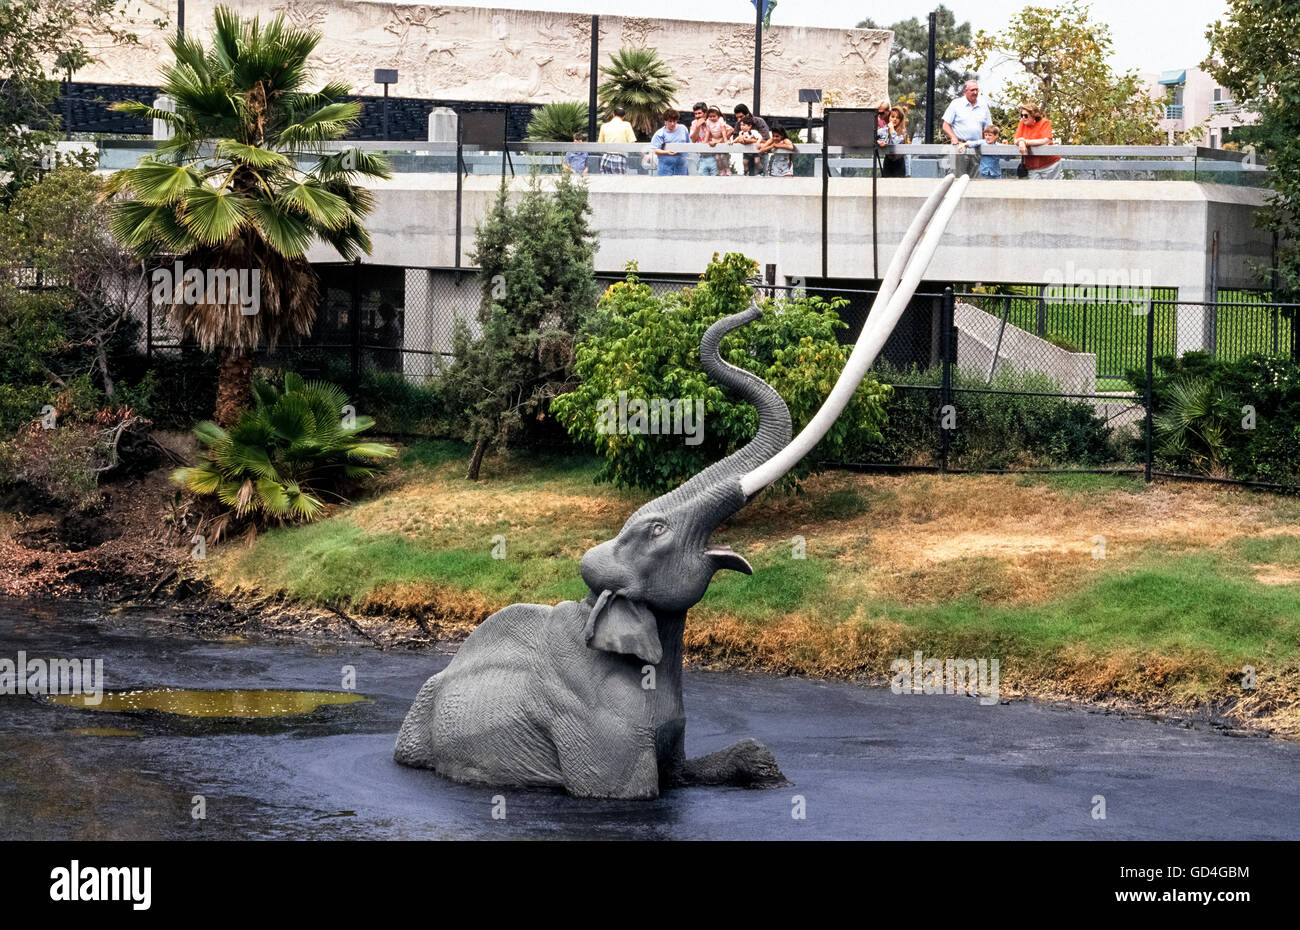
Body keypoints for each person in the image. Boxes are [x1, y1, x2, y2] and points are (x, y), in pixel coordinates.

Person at [941, 79, 992, 177]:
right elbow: (945, 125)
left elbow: (989, 128)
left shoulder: (983, 105)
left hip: (978, 148)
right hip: (960, 147)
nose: (975, 92)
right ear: (965, 91)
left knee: (977, 180)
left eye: (977, 90)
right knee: (957, 178)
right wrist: (953, 137)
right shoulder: (956, 104)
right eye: (972, 90)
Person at [1015, 103, 1062, 180]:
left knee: (1052, 190)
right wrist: (1021, 142)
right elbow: (1016, 139)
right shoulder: (1022, 124)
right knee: (1034, 190)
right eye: (1021, 115)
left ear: (1033, 115)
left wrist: (1025, 142)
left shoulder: (1044, 123)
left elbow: (1046, 140)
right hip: (1032, 166)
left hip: (1050, 164)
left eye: (1026, 115)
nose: (1023, 117)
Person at [650, 108, 690, 176]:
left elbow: (688, 144)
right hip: (665, 169)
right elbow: (655, 150)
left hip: (681, 168)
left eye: (674, 121)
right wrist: (667, 152)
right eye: (670, 121)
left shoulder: (683, 129)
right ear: (665, 121)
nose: (672, 124)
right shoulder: (660, 133)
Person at [733, 103, 770, 175]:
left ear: (747, 114)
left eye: (741, 117)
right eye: (737, 117)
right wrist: (740, 139)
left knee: (761, 180)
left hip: (760, 155)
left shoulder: (759, 121)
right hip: (747, 156)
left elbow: (766, 140)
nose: (739, 120)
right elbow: (735, 139)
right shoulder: (738, 124)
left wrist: (749, 141)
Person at [597, 106, 636, 174]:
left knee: (604, 182)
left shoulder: (604, 126)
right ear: (623, 116)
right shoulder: (626, 125)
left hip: (606, 157)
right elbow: (632, 142)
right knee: (618, 182)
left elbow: (600, 144)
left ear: (613, 114)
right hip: (619, 157)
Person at [697, 105, 733, 176]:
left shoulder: (721, 120)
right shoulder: (708, 122)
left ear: (718, 116)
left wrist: (725, 140)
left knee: (723, 156)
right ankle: (721, 171)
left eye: (714, 116)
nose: (712, 118)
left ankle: (728, 170)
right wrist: (705, 141)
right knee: (717, 157)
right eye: (710, 116)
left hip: (721, 139)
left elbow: (723, 131)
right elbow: (707, 132)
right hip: (714, 139)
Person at [879, 105, 910, 178]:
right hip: (888, 161)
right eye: (892, 117)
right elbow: (875, 136)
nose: (895, 119)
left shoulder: (903, 131)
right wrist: (879, 142)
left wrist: (892, 130)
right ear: (889, 117)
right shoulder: (885, 129)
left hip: (899, 162)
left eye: (898, 118)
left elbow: (896, 142)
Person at [688, 102, 708, 174]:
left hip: (713, 155)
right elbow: (693, 140)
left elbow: (730, 130)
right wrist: (697, 126)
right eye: (695, 114)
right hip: (699, 156)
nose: (697, 116)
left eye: (699, 113)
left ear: (705, 113)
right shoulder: (694, 123)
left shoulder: (712, 120)